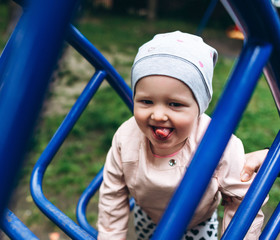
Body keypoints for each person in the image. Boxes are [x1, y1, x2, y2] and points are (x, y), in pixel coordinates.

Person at [97, 31, 266, 240]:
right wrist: (110, 236)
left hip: (197, 226)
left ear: (199, 106)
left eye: (174, 104)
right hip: (148, 218)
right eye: (146, 101)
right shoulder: (126, 137)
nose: (158, 115)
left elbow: (242, 198)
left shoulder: (217, 142)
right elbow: (113, 191)